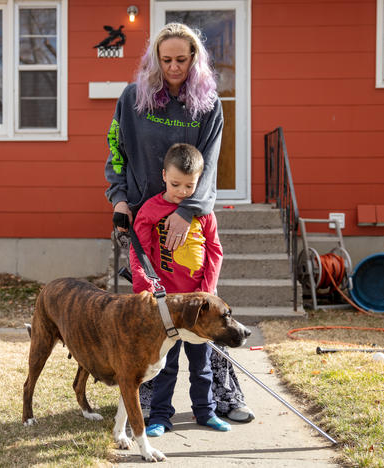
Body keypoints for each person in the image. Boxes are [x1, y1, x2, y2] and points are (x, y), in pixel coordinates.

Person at [104, 22, 254, 425]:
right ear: (155, 58)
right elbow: (115, 149)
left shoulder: (207, 104)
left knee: (203, 310)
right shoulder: (133, 98)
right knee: (151, 319)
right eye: (165, 59)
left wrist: (187, 211)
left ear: (195, 60)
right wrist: (119, 197)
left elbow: (209, 163)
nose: (173, 67)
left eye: (181, 60)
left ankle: (221, 399)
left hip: (190, 215)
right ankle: (152, 407)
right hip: (143, 217)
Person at [129, 143, 228, 436]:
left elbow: (215, 251)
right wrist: (145, 287)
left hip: (199, 306)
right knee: (166, 365)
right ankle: (160, 416)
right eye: (175, 184)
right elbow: (139, 250)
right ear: (163, 176)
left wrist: (207, 292)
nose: (182, 191)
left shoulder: (203, 212)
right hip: (166, 305)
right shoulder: (150, 210)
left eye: (190, 185)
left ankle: (206, 412)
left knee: (201, 364)